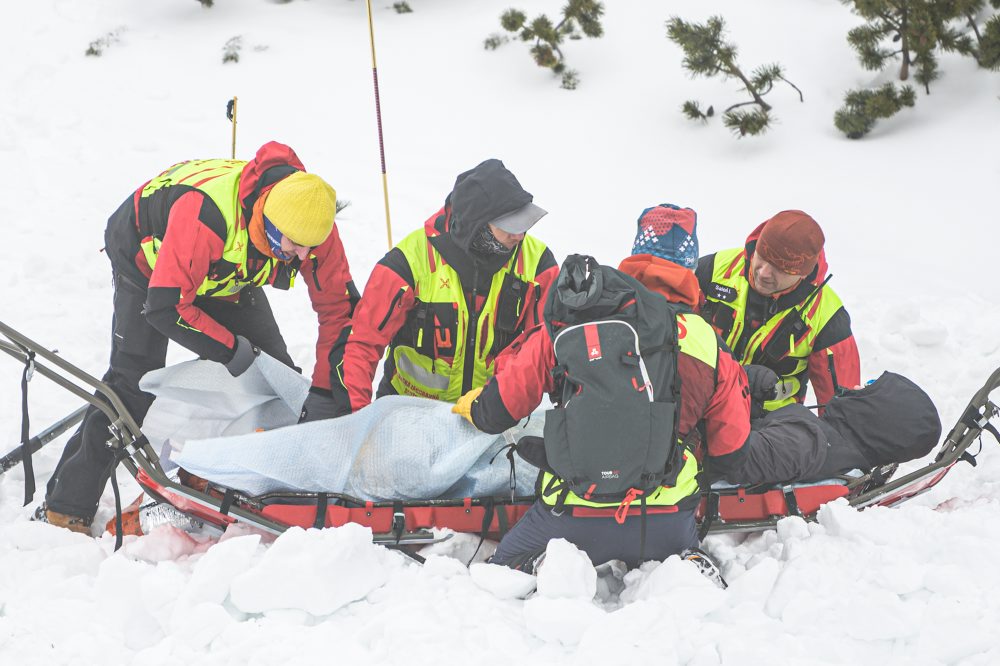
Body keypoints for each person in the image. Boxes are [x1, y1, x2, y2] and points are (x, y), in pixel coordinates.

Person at [43, 141, 358, 533]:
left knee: (277, 379)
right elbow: (167, 308)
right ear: (266, 218)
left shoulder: (310, 219)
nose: (303, 257)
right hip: (148, 259)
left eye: (311, 248)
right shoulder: (205, 214)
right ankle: (66, 506)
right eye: (292, 245)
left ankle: (269, 490)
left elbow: (340, 310)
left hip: (223, 272)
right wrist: (229, 349)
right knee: (133, 383)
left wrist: (327, 391)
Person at [453, 204, 751, 569]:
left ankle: (532, 566)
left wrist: (477, 407)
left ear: (636, 253)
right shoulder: (707, 340)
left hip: (570, 515)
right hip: (665, 518)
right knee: (677, 544)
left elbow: (499, 410)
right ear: (690, 267)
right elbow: (731, 452)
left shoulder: (575, 318)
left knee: (500, 573)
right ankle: (684, 562)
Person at [329, 158, 558, 415]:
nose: (520, 235)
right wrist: (358, 422)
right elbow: (361, 345)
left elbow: (547, 347)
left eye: (524, 224)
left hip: (490, 418)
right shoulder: (409, 261)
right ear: (477, 226)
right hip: (407, 413)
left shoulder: (538, 265)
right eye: (510, 226)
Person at [696, 210, 860, 411]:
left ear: (803, 274)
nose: (764, 272)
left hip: (770, 419)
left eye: (780, 268)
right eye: (762, 257)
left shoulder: (828, 317)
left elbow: (840, 409)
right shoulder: (713, 270)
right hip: (700, 401)